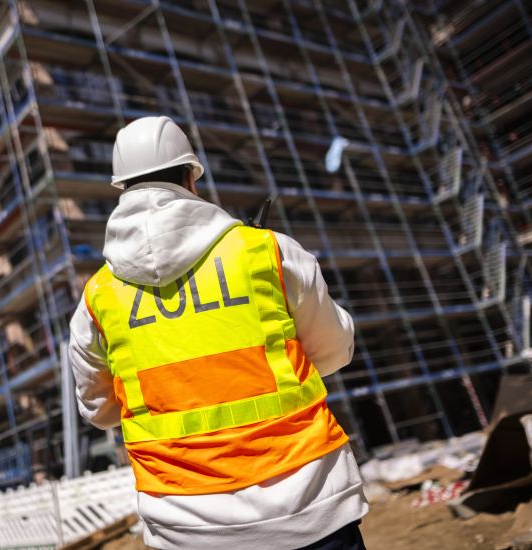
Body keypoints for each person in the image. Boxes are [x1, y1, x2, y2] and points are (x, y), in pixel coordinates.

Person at [67, 116, 369, 549]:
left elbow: (99, 411)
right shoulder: (266, 251)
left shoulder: (98, 298)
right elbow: (337, 351)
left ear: (122, 190)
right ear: (191, 177)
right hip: (310, 504)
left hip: (186, 526)